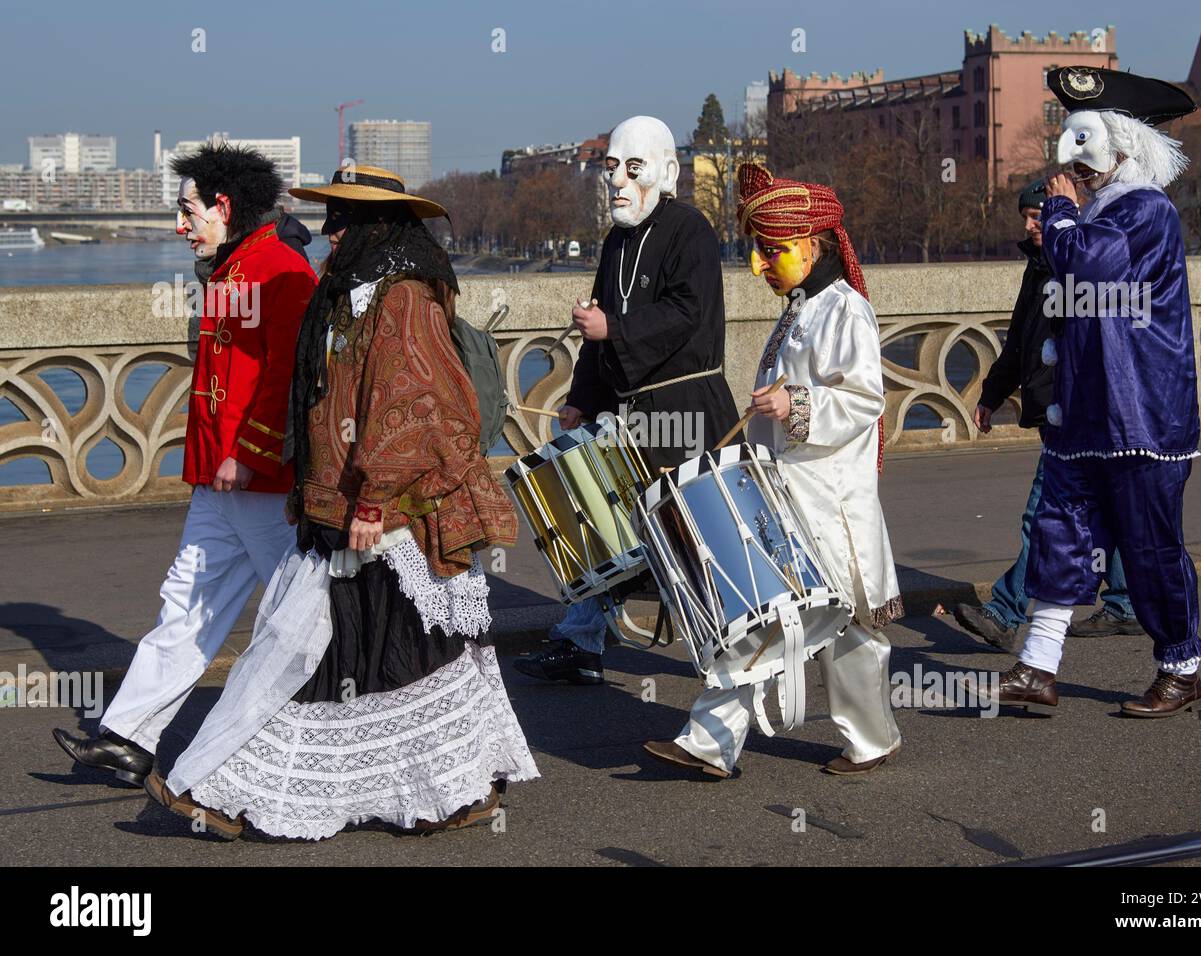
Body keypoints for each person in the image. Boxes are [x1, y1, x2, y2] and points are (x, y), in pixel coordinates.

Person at [144, 165, 537, 839]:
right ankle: (223, 789)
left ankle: (234, 792)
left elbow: (414, 405)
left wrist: (374, 498)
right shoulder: (350, 292)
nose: (327, 231)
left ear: (376, 227)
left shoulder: (405, 296)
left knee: (397, 661)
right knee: (335, 657)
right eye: (330, 216)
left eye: (342, 219)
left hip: (391, 517)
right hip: (336, 509)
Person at [53, 144, 317, 786]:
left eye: (187, 210)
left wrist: (250, 458)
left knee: (300, 626)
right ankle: (127, 737)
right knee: (187, 605)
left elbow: (291, 379)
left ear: (223, 207)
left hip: (260, 483)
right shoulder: (232, 267)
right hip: (218, 477)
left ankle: (319, 751)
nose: (180, 225)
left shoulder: (282, 271)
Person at [643, 163, 902, 778]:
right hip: (784, 496)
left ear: (813, 246)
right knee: (762, 620)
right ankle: (710, 743)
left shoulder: (845, 310)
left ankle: (871, 740)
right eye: (759, 252)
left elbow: (867, 400)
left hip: (831, 502)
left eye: (772, 251)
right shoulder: (801, 306)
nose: (759, 266)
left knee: (848, 634)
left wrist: (796, 404)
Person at [975, 67, 1201, 718]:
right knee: (1062, 533)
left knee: (1149, 546)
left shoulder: (1146, 210)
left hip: (1144, 420)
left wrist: (1057, 211)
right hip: (1088, 417)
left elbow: (1091, 269)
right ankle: (1037, 665)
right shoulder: (1100, 211)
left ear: (1122, 146)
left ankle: (1182, 666)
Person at [514, 115, 740, 686]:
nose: (617, 181)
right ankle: (581, 640)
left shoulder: (690, 230)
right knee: (604, 524)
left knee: (685, 537)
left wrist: (613, 329)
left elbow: (686, 313)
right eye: (612, 168)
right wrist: (582, 400)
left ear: (666, 172)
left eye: (632, 168)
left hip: (685, 411)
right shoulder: (618, 238)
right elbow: (598, 320)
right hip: (628, 413)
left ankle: (727, 649)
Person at [953, 180, 1139, 652]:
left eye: (1038, 216)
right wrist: (992, 394)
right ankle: (1124, 603)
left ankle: (1005, 610)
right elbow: (1017, 341)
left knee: (1044, 512)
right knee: (1110, 507)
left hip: (1078, 413)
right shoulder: (1037, 268)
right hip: (1060, 411)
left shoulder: (1080, 263)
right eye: (1025, 217)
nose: (1029, 225)